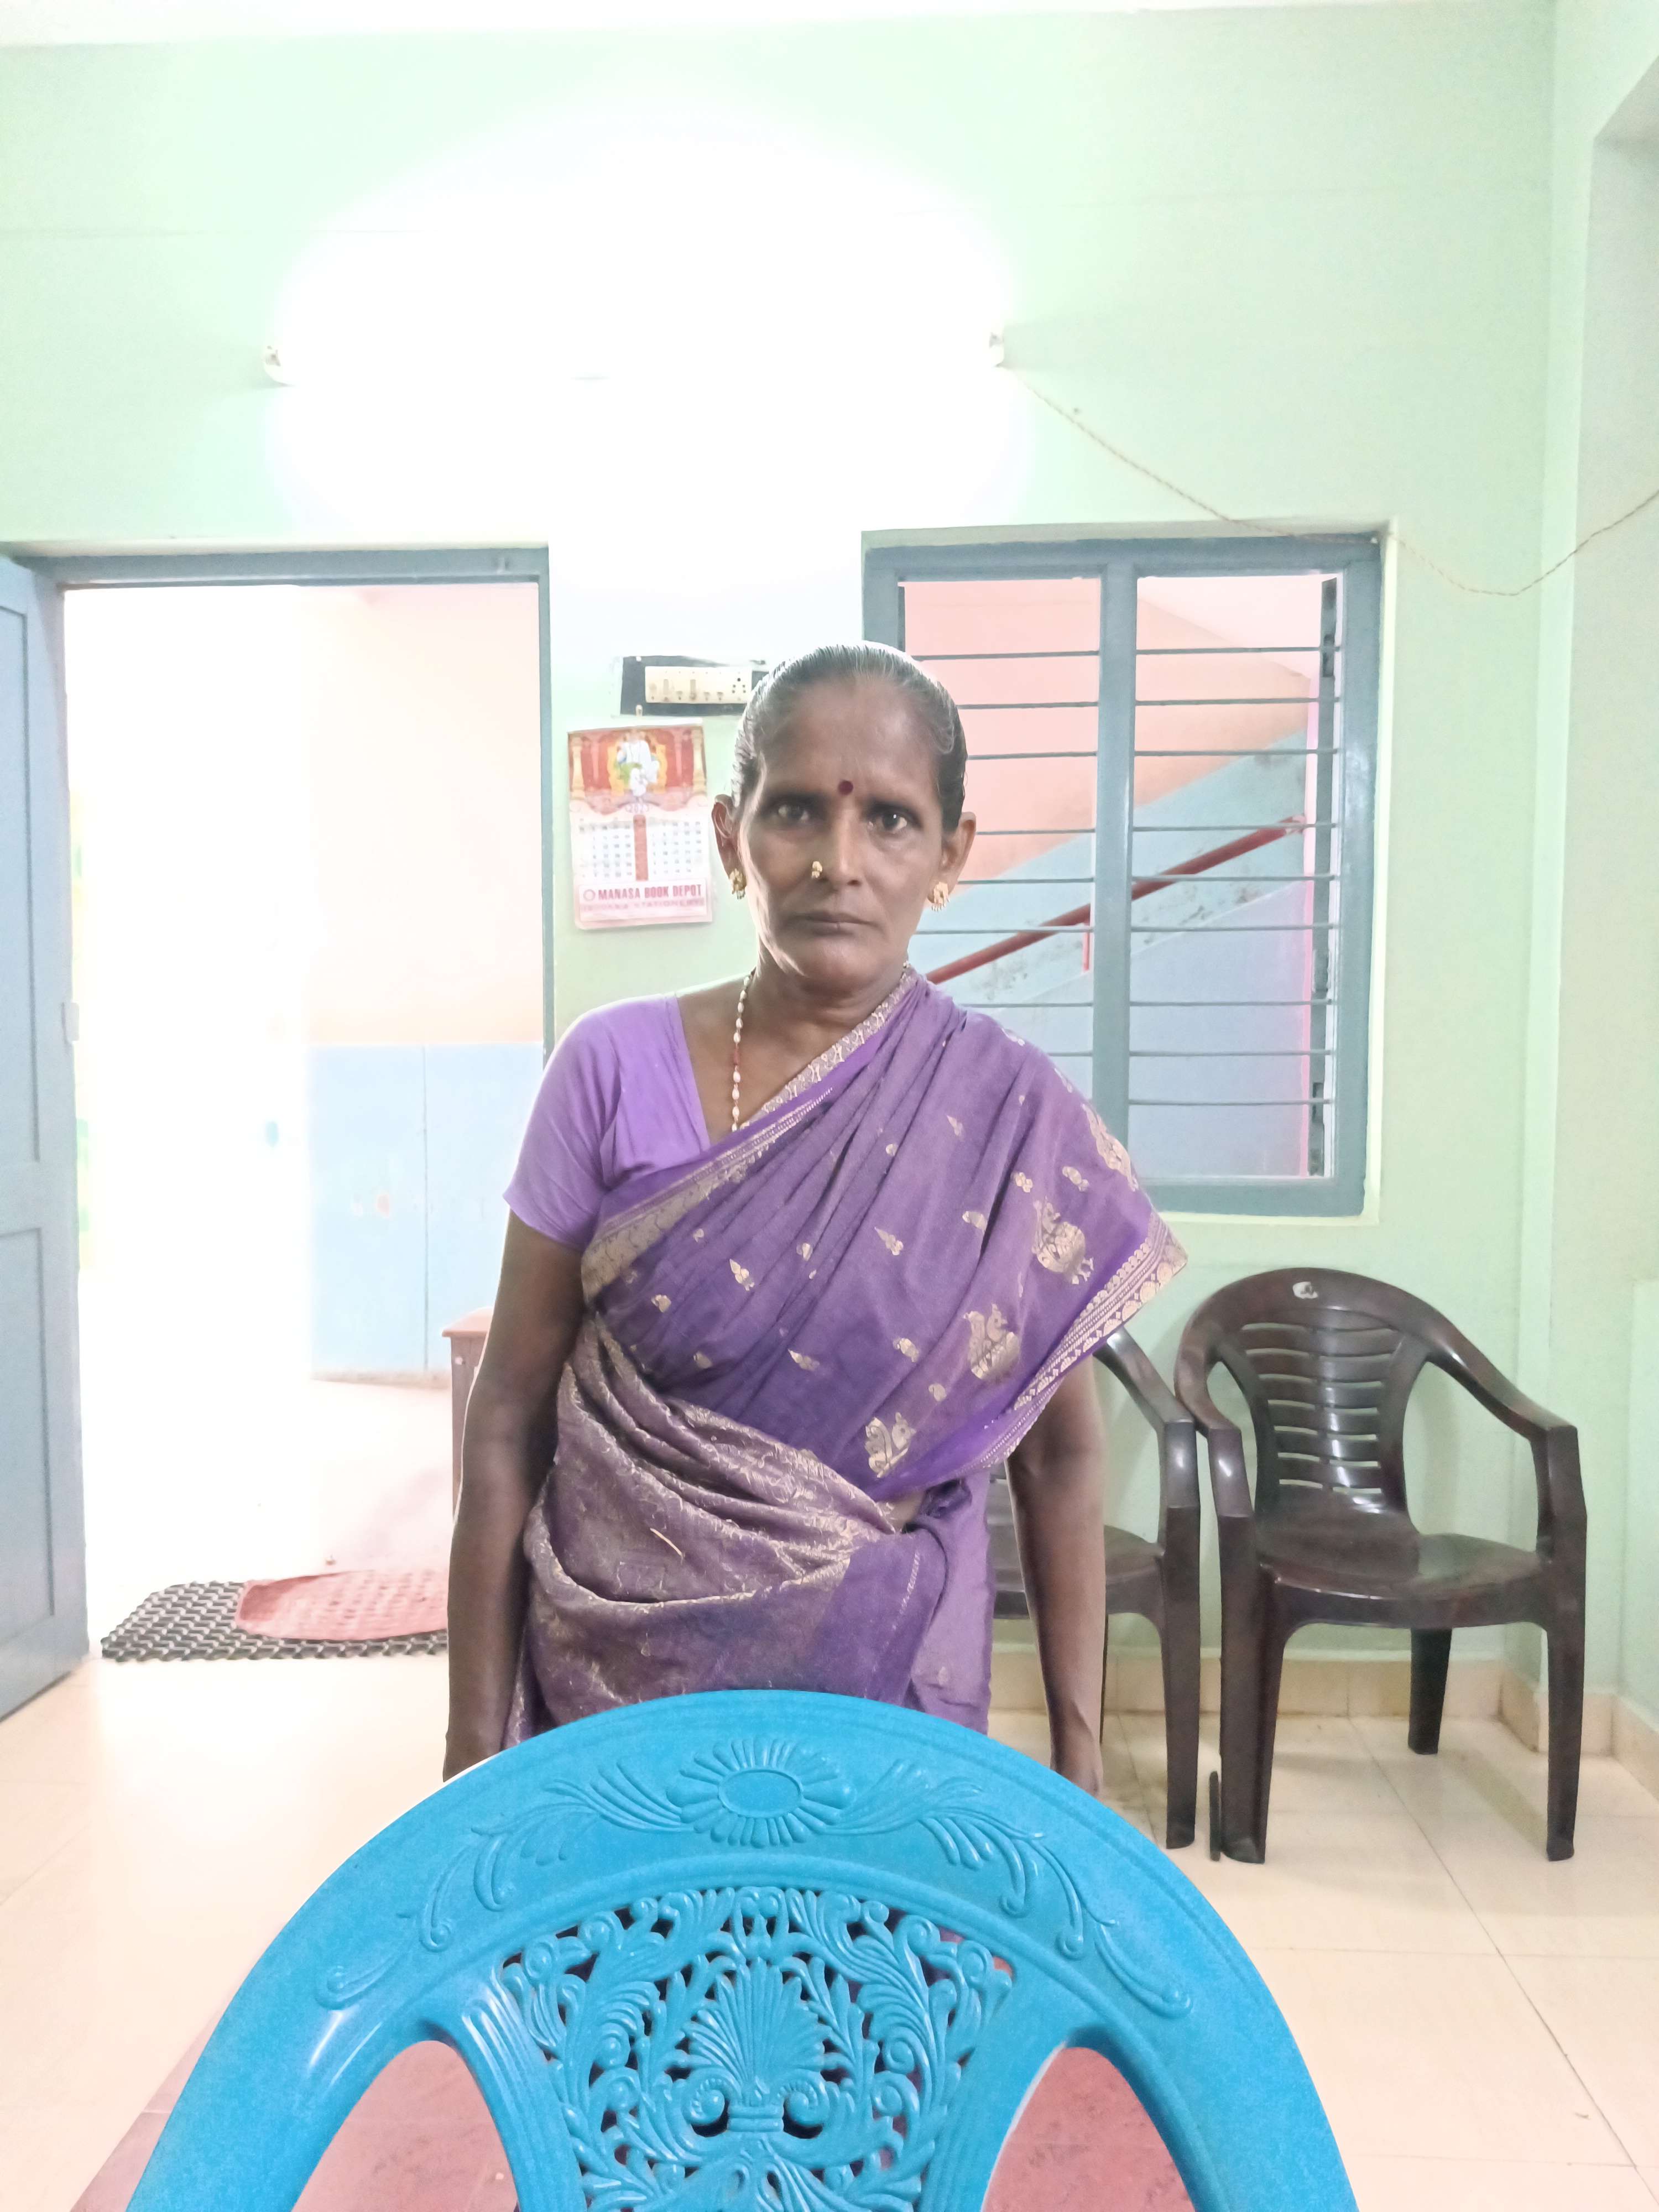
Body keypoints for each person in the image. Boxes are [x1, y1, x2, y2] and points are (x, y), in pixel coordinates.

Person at [444, 642, 1184, 1793]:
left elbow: (1061, 1455)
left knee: (866, 1923)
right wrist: (468, 1760)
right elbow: (505, 1418)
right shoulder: (609, 1069)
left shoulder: (1005, 1114)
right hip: (615, 1703)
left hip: (883, 1700)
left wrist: (1077, 1765)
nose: (840, 861)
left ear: (951, 852)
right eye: (796, 810)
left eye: (890, 819)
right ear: (731, 833)